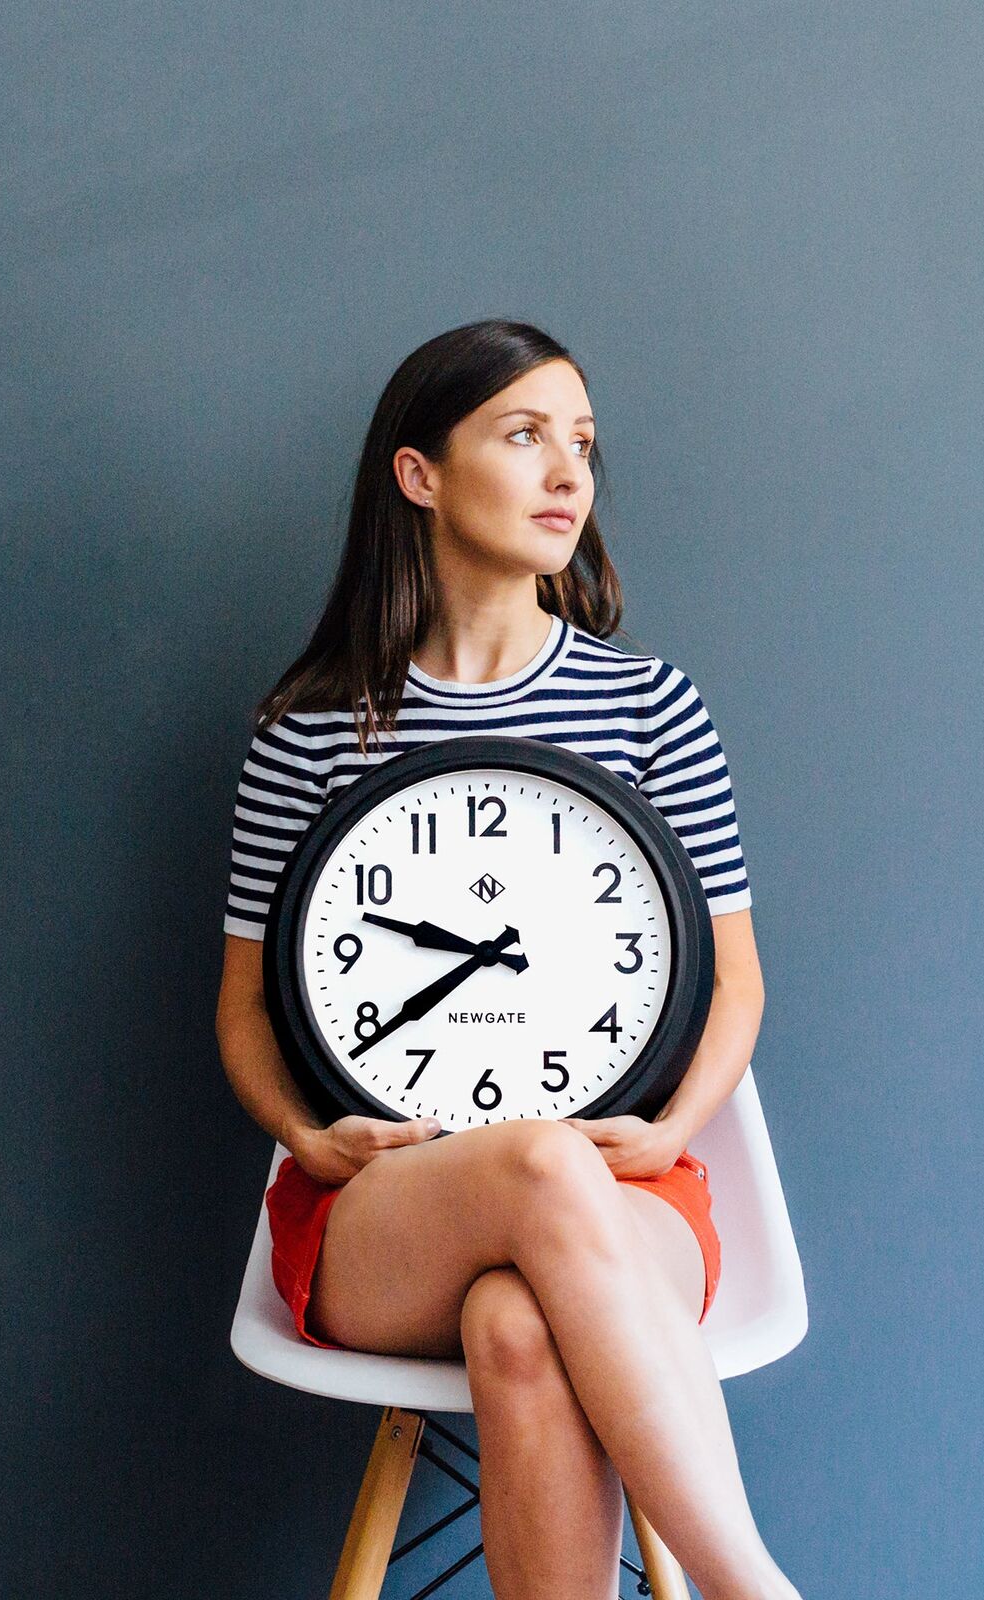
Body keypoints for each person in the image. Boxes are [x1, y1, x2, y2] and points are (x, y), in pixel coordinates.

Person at [214, 318, 801, 1600]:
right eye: (524, 435)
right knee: (533, 1161)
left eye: (580, 442)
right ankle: (751, 1586)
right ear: (419, 474)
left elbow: (736, 980)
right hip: (386, 1207)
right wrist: (306, 1138)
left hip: (627, 1186)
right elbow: (248, 1010)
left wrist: (672, 1129)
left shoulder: (650, 707)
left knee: (517, 1323)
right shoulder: (311, 729)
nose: (567, 473)